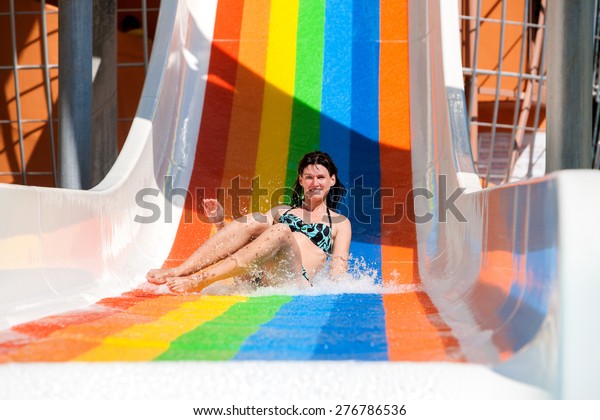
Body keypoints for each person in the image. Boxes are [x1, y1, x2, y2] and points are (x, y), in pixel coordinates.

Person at [146, 151, 352, 293]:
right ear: (300, 180)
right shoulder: (282, 211)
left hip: (295, 280)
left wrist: (331, 292)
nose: (314, 183)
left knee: (280, 229)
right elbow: (245, 244)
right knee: (257, 219)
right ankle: (180, 270)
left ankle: (200, 279)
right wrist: (219, 222)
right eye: (308, 177)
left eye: (321, 177)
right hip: (260, 276)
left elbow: (337, 273)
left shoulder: (339, 223)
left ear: (332, 180)